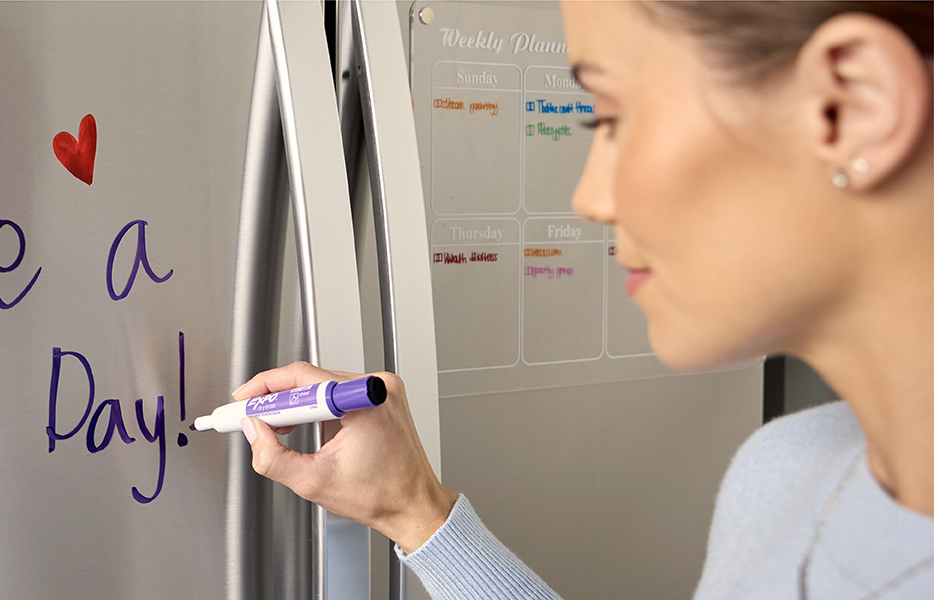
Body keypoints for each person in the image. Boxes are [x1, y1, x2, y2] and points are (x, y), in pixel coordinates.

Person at [232, 2, 933, 598]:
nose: (589, 199)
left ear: (853, 105)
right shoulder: (786, 472)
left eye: (611, 118)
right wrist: (413, 509)